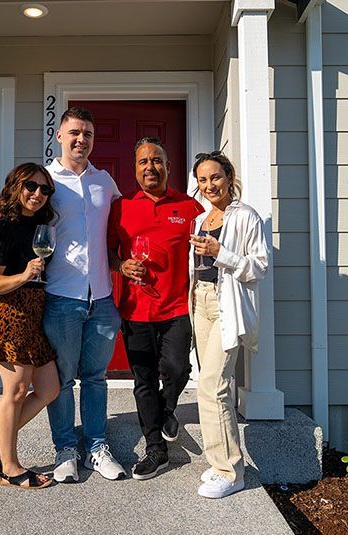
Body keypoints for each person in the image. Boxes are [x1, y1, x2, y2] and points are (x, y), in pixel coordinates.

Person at [0, 108, 125, 483]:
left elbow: (121, 229)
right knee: (61, 380)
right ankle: (65, 450)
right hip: (59, 296)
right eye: (74, 132)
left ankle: (96, 446)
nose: (81, 139)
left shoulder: (105, 182)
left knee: (94, 377)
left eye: (88, 134)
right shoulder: (43, 181)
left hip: (102, 298)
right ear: (58, 136)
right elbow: (5, 215)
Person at [107, 137, 204, 480]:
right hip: (135, 311)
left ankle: (168, 409)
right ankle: (156, 450)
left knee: (177, 370)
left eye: (157, 160)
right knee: (143, 381)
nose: (151, 167)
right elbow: (106, 253)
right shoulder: (121, 208)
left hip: (177, 307)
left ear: (168, 166)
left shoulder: (190, 207)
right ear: (135, 169)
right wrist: (120, 266)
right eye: (143, 161)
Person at [0, 162, 60, 490]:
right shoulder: (2, 227)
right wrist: (25, 274)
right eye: (30, 187)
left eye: (45, 189)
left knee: (49, 389)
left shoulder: (41, 225)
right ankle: (9, 467)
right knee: (17, 390)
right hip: (8, 315)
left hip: (33, 316)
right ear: (15, 187)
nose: (37, 194)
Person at [189, 151, 268, 498]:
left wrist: (221, 252)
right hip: (201, 303)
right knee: (211, 385)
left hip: (227, 307)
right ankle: (219, 460)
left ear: (229, 176)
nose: (209, 186)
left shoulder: (246, 216)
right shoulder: (200, 219)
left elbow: (259, 267)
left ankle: (231, 472)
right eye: (203, 180)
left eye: (215, 178)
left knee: (213, 385)